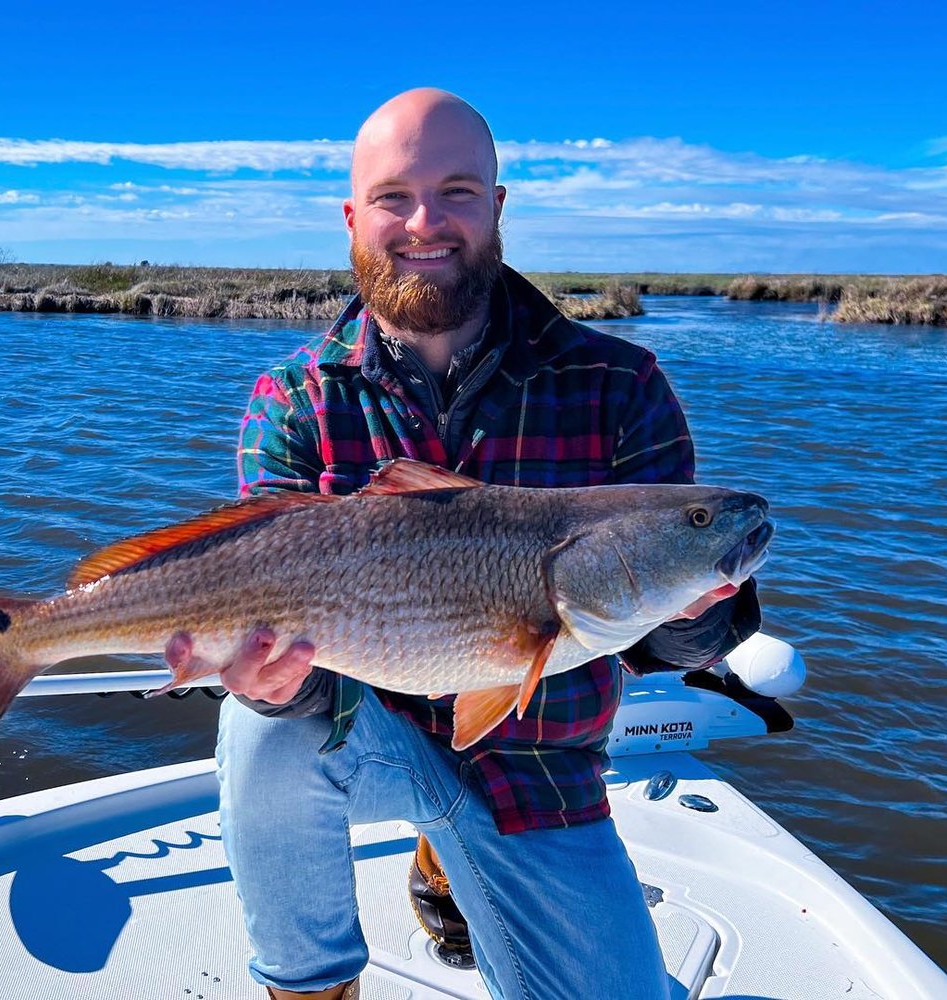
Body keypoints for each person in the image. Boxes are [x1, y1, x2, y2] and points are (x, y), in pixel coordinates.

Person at [210, 88, 761, 1000]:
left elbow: (670, 646)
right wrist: (272, 679)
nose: (424, 222)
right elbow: (291, 655)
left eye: (457, 191)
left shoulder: (619, 384)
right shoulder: (295, 398)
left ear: (497, 207)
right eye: (394, 196)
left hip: (541, 772)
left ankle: (448, 858)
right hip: (371, 738)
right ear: (353, 218)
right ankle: (309, 989)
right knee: (257, 731)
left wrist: (701, 605)